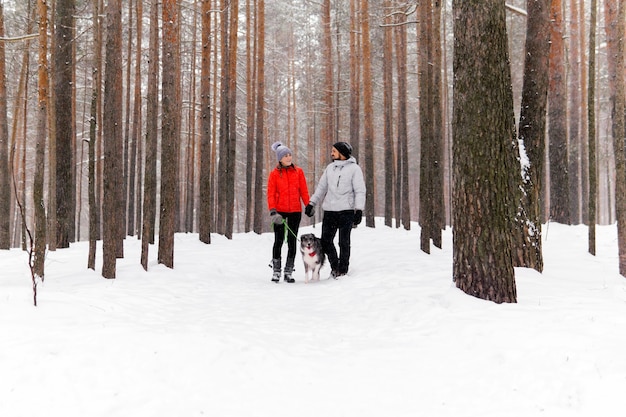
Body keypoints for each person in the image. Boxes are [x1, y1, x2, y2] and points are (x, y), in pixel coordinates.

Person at [305, 142, 366, 278]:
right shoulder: (330, 168)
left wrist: (359, 209)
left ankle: (342, 270)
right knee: (326, 242)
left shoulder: (354, 169)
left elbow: (360, 191)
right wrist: (311, 203)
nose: (331, 153)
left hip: (346, 211)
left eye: (334, 151)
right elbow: (321, 188)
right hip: (330, 211)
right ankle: (335, 266)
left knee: (344, 242)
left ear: (342, 153)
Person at [267, 141, 310, 283]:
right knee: (278, 241)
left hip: (295, 211)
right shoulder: (274, 174)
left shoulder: (298, 172)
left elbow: (303, 190)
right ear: (280, 158)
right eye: (285, 155)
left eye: (290, 155)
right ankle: (276, 271)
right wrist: (273, 211)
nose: (289, 157)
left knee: (292, 241)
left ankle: (289, 271)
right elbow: (271, 193)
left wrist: (308, 205)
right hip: (279, 212)